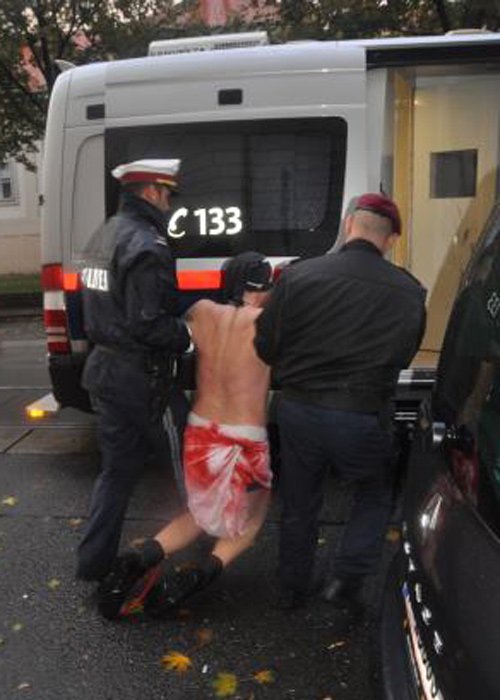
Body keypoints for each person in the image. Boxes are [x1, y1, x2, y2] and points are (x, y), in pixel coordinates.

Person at [254, 193, 427, 610]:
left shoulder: (299, 277)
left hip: (298, 410)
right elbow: (403, 355)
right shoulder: (409, 291)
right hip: (362, 413)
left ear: (349, 225)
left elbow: (266, 346)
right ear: (392, 239)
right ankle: (347, 578)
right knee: (375, 491)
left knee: (300, 500)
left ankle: (292, 587)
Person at [96, 251, 275, 620]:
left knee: (198, 513)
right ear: (261, 286)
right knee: (253, 517)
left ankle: (135, 560)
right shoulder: (268, 323)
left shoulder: (202, 312)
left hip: (200, 431)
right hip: (245, 438)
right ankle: (199, 575)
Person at [76, 159, 193, 583]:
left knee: (116, 472)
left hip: (104, 372)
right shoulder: (148, 244)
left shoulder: (105, 233)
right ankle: (201, 557)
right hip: (145, 381)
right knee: (188, 467)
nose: (169, 204)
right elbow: (148, 324)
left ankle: (92, 563)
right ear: (151, 192)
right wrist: (189, 336)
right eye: (167, 195)